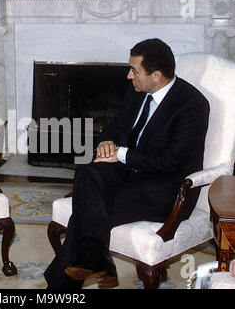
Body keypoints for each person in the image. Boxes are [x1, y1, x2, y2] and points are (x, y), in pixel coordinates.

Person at [44, 38, 210, 289]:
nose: (128, 75)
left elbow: (170, 161)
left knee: (87, 212)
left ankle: (60, 289)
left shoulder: (192, 105)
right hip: (129, 174)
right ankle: (100, 264)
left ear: (156, 75)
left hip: (165, 190)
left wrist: (120, 154)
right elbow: (115, 125)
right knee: (87, 173)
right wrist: (106, 143)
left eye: (135, 70)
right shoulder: (137, 92)